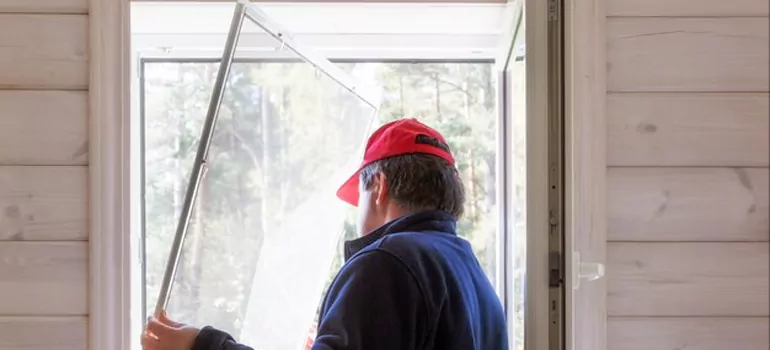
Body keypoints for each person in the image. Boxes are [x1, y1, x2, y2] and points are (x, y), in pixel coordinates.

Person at [142, 118, 508, 350]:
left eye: (359, 196)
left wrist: (202, 345)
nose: (357, 212)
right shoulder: (474, 278)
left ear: (378, 186)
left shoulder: (387, 262)